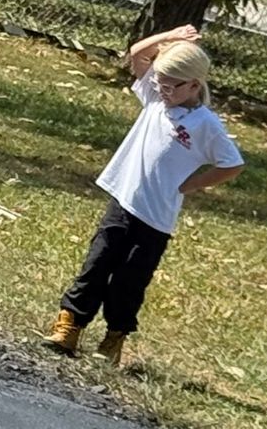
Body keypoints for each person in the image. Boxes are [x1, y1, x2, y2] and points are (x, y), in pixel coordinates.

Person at [47, 23, 243, 365]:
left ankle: (114, 337)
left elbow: (232, 165)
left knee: (129, 282)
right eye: (160, 82)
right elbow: (137, 54)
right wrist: (170, 39)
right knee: (96, 265)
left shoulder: (205, 125)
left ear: (195, 85)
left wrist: (192, 185)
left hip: (156, 219)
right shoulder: (155, 99)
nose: (162, 89)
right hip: (122, 203)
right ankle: (69, 325)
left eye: (172, 85)